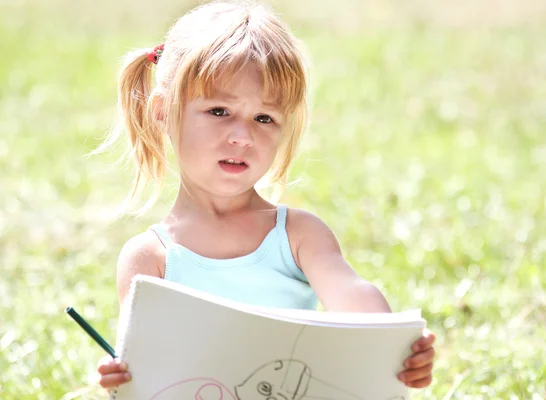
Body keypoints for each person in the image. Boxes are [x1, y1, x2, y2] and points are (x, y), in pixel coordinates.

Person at [95, 0, 435, 392]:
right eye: (219, 111)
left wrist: (395, 348)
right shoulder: (150, 258)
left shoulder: (297, 235)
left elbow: (354, 300)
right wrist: (116, 373)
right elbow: (141, 363)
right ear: (162, 111)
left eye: (264, 118)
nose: (243, 136)